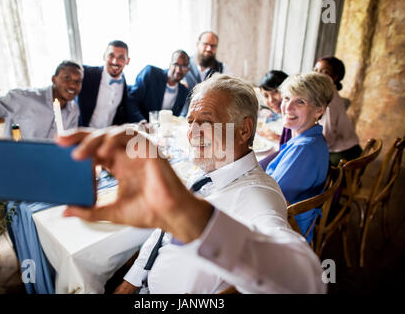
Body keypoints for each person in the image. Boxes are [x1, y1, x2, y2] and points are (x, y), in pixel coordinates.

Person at [58, 74, 326, 294]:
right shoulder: (205, 171)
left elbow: (305, 284)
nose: (193, 133)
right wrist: (130, 283)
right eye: (190, 122)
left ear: (244, 130)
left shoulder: (257, 195)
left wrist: (195, 217)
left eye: (207, 122)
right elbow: (159, 237)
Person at [265, 72, 333, 243]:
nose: (287, 107)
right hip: (287, 220)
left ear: (319, 110)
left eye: (300, 101)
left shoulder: (304, 149)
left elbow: (268, 199)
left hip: (284, 232)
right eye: (287, 98)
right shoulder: (311, 138)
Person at [0, 60, 83, 140]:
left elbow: (68, 143)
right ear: (54, 79)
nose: (73, 85)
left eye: (78, 81)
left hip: (50, 166)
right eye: (67, 78)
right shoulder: (23, 98)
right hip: (17, 164)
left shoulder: (73, 109)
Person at [314, 56, 362, 166]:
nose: (317, 75)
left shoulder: (329, 101)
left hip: (344, 154)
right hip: (351, 147)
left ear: (334, 77)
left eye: (324, 72)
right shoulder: (330, 93)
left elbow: (328, 138)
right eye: (316, 70)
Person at [77, 40, 130, 128]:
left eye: (121, 57)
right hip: (83, 136)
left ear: (127, 61)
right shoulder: (86, 74)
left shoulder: (124, 85)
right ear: (104, 56)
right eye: (111, 55)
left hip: (106, 138)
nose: (115, 61)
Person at [126, 50, 190, 123]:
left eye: (184, 66)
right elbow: (131, 101)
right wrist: (142, 121)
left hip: (163, 132)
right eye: (175, 64)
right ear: (170, 64)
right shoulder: (150, 73)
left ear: (188, 69)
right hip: (138, 127)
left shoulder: (184, 92)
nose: (178, 70)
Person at [181, 31, 229, 116]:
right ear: (197, 44)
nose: (209, 49)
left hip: (210, 119)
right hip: (182, 119)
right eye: (205, 44)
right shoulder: (183, 64)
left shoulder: (223, 68)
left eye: (213, 46)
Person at [257, 70, 291, 170]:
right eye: (266, 96)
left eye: (275, 92)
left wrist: (276, 137)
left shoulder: (293, 119)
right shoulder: (282, 117)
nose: (271, 100)